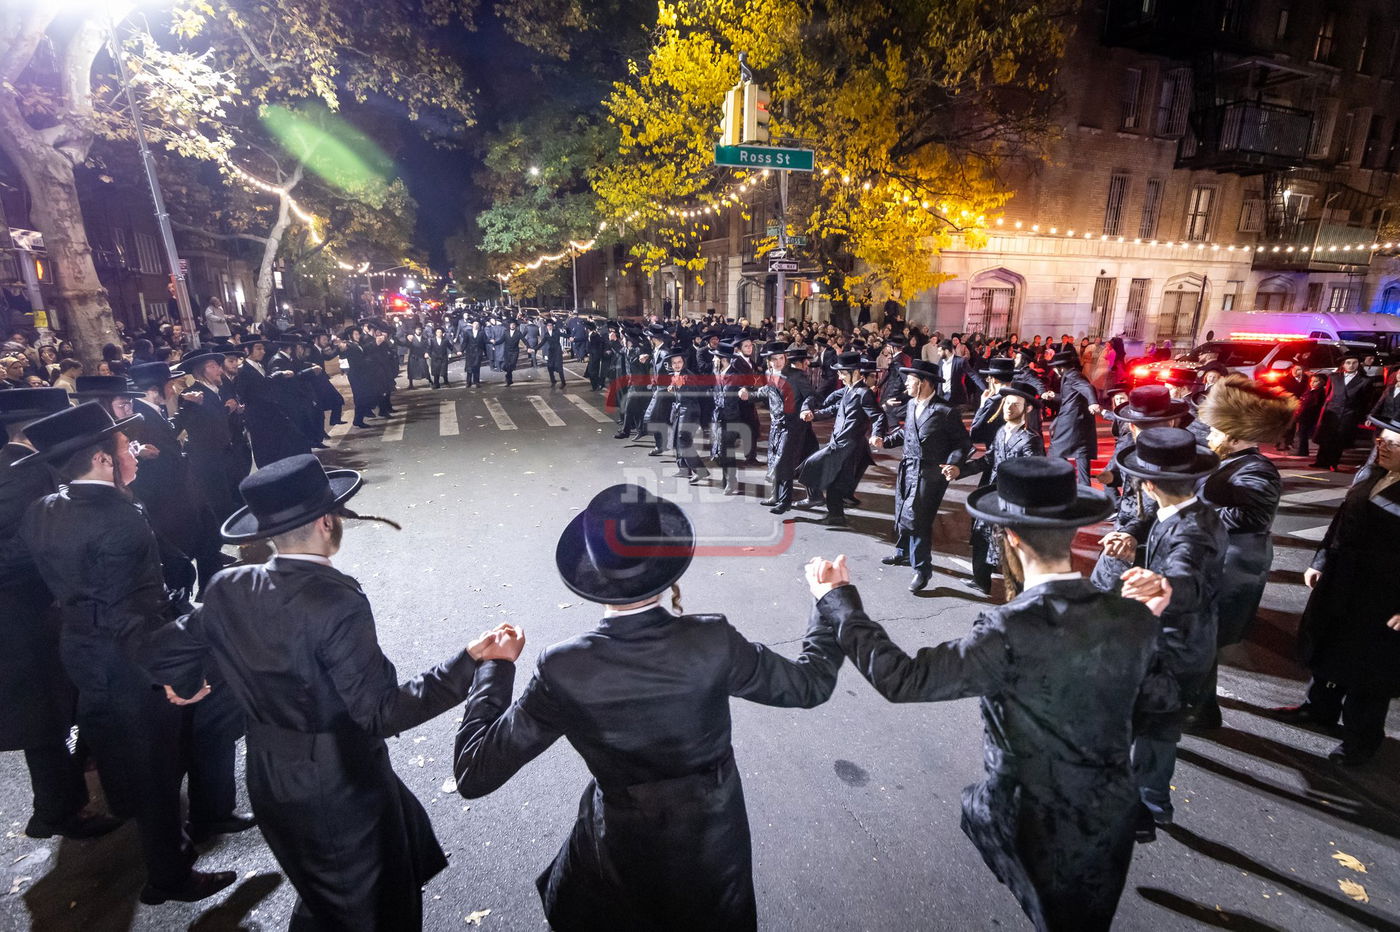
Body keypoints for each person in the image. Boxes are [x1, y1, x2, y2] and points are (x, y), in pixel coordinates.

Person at [453, 484, 842, 930]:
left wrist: (495, 669)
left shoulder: (564, 667)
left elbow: (474, 773)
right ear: (664, 561)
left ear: (591, 569)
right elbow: (811, 685)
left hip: (621, 855)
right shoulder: (712, 640)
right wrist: (829, 600)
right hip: (714, 850)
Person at [148, 455, 511, 928]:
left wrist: (187, 683)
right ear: (326, 522)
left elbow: (163, 648)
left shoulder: (227, 586)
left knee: (329, 888)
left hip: (270, 773)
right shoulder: (334, 599)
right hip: (337, 785)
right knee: (365, 908)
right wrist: (470, 664)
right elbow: (380, 712)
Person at [812, 456, 1173, 932]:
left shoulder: (1009, 629)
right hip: (1112, 813)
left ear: (1012, 537)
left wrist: (838, 603)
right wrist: (1145, 621)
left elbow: (904, 679)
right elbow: (1158, 709)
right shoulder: (1132, 617)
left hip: (1037, 827)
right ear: (1071, 531)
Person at [18, 403, 236, 904]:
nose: (134, 452)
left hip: (81, 650)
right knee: (155, 769)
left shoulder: (44, 508)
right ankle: (169, 877)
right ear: (102, 460)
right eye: (125, 446)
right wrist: (176, 675)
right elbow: (132, 617)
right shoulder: (119, 519)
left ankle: (199, 821)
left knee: (136, 757)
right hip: (129, 661)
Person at [0, 388, 124, 841]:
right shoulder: (21, 477)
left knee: (49, 712)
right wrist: (51, 552)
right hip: (24, 618)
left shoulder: (14, 468)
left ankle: (62, 798)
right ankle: (55, 812)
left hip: (27, 616)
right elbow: (14, 551)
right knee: (43, 717)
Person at [1111, 427, 1225, 840]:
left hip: (1175, 646)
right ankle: (1151, 800)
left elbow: (1187, 576)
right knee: (1155, 725)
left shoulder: (1190, 531)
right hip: (1185, 641)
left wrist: (1162, 585)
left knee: (1155, 727)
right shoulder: (1193, 512)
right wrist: (1133, 539)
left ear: (1148, 484)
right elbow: (1158, 532)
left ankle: (1150, 806)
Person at [1276, 414, 1400, 766]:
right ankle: (1319, 709)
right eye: (1381, 440)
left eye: (1393, 443)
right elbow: (1342, 522)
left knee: (1369, 670)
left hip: (1385, 595)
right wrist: (1320, 561)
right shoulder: (1372, 473)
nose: (1381, 446)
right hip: (1343, 580)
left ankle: (1361, 741)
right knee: (1329, 646)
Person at [1188, 376, 1295, 731]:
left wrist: (1188, 511)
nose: (1209, 435)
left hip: (1232, 568)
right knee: (1200, 640)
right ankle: (1199, 706)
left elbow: (1249, 517)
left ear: (1234, 437)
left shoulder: (1258, 470)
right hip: (1216, 561)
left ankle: (1202, 713)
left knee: (1206, 640)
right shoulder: (1228, 460)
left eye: (1215, 431)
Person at [871, 359, 972, 592]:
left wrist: (954, 464)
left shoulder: (945, 411)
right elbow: (906, 432)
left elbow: (962, 443)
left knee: (919, 519)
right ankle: (902, 552)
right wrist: (885, 441)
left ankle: (922, 569)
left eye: (911, 380)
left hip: (930, 474)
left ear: (924, 382)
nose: (906, 384)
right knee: (902, 510)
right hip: (908, 468)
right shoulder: (911, 404)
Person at [1090, 385, 1189, 593]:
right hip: (1125, 532)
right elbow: (1127, 477)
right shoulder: (1131, 444)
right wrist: (1112, 477)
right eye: (1140, 426)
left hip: (1148, 542)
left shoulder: (1179, 457)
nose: (1144, 434)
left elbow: (1156, 506)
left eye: (1153, 426)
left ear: (1172, 423)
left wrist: (1130, 534)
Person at [957, 382, 1045, 595]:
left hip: (1012, 503)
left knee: (1009, 548)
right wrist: (960, 471)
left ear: (1027, 408)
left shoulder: (1031, 440)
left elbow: (1033, 476)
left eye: (1015, 404)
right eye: (1007, 403)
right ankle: (981, 581)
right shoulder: (1000, 432)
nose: (1008, 408)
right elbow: (989, 459)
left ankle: (1020, 597)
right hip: (992, 496)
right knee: (981, 536)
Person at [796, 352, 879, 527]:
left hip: (848, 446)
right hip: (839, 443)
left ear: (854, 372)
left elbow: (878, 416)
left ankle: (833, 513)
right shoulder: (849, 389)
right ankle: (835, 515)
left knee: (824, 473)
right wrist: (814, 415)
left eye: (842, 373)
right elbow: (834, 408)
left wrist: (876, 434)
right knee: (833, 480)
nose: (839, 377)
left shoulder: (864, 393)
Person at [759, 343, 817, 514]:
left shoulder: (796, 375)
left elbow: (810, 395)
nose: (778, 362)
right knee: (774, 460)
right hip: (776, 425)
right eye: (774, 359)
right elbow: (766, 392)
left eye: (781, 358)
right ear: (769, 361)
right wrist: (749, 394)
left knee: (785, 462)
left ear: (785, 358)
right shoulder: (769, 374)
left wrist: (805, 408)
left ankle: (785, 501)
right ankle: (775, 496)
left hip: (792, 425)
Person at [1043, 349, 1102, 485]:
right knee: (1080, 454)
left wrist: (1093, 403)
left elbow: (1088, 388)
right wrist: (1054, 396)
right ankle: (1083, 488)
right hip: (1078, 422)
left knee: (1056, 452)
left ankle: (1063, 483)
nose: (1054, 371)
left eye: (1055, 368)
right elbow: (1068, 398)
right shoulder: (1072, 375)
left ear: (1061, 368)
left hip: (1071, 422)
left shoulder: (1073, 376)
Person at [1314, 352, 1371, 470]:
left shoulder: (1365, 380)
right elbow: (1328, 394)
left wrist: (1363, 416)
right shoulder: (1334, 377)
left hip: (1348, 414)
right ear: (1343, 364)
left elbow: (1366, 401)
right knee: (1326, 437)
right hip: (1331, 412)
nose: (1351, 365)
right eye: (1348, 363)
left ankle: (1333, 462)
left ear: (1359, 364)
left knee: (1339, 439)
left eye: (1354, 363)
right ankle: (1321, 461)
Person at [539, 319, 567, 390]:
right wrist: (534, 349)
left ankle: (563, 382)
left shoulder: (556, 332)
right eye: (548, 325)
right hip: (551, 352)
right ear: (546, 326)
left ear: (552, 326)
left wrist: (570, 337)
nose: (549, 327)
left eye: (550, 325)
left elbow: (563, 335)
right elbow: (542, 343)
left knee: (559, 367)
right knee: (549, 366)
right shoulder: (546, 334)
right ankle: (553, 381)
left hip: (557, 351)